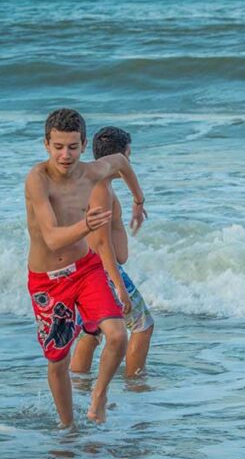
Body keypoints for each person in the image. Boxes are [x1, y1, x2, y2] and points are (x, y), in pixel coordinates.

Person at [25, 108, 147, 425]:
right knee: (57, 361)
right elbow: (52, 238)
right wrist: (87, 225)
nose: (66, 155)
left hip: (85, 269)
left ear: (82, 145)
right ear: (46, 145)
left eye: (73, 147)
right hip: (48, 281)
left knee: (118, 335)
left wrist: (138, 199)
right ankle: (68, 428)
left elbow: (120, 162)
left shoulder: (92, 172)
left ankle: (99, 396)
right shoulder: (38, 180)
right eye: (58, 147)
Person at [70, 126, 155, 378]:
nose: (129, 162)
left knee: (92, 329)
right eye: (129, 155)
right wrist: (118, 285)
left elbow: (127, 170)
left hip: (87, 268)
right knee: (142, 325)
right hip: (103, 269)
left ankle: (78, 382)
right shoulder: (100, 190)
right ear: (120, 155)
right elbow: (102, 243)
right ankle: (135, 382)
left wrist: (138, 202)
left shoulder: (96, 179)